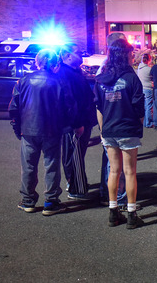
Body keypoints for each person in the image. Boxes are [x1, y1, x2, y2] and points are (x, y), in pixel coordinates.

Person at [9, 49, 76, 216]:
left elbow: (14, 108)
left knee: (28, 166)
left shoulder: (23, 81)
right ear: (54, 64)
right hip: (52, 129)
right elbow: (69, 107)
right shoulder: (59, 82)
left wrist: (18, 129)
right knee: (51, 165)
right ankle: (51, 202)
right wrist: (67, 127)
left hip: (29, 130)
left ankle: (28, 201)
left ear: (36, 62)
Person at [95, 39, 145, 229]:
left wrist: (102, 131)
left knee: (113, 171)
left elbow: (99, 108)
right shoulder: (132, 79)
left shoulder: (100, 80)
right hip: (127, 129)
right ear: (126, 55)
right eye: (131, 53)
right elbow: (140, 109)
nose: (133, 56)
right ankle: (131, 214)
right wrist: (136, 127)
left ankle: (112, 211)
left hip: (108, 129)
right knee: (130, 171)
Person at [58, 43, 97, 200]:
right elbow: (69, 101)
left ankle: (75, 183)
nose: (81, 54)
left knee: (78, 155)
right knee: (73, 156)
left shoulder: (75, 72)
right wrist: (76, 124)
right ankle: (75, 188)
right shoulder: (64, 74)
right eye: (77, 53)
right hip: (75, 124)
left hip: (83, 121)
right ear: (67, 56)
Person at [98, 32, 129, 210]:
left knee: (112, 165)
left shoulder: (105, 68)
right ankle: (120, 199)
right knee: (120, 167)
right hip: (118, 124)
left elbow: (99, 105)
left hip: (109, 125)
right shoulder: (113, 70)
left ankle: (109, 196)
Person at [138, 53, 154, 128]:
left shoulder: (139, 68)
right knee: (149, 106)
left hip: (142, 88)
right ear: (148, 60)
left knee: (144, 106)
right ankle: (148, 122)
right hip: (148, 89)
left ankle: (144, 121)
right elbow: (153, 78)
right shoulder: (149, 69)